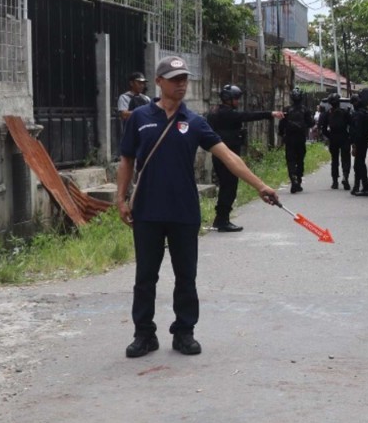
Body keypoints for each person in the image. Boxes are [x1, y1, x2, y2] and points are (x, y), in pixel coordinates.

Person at [116, 56, 280, 358]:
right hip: (148, 212)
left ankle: (184, 332)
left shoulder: (194, 122)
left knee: (185, 276)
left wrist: (260, 185)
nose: (181, 84)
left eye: (184, 79)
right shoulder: (139, 117)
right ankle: (144, 335)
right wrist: (121, 198)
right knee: (145, 277)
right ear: (159, 82)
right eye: (174, 78)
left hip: (184, 212)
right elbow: (126, 160)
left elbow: (229, 157)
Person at [206, 84, 284, 232]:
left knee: (226, 187)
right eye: (235, 98)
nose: (237, 101)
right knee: (229, 188)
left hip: (221, 156)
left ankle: (221, 219)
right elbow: (248, 116)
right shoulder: (226, 114)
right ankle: (222, 220)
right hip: (228, 157)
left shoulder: (214, 112)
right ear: (228, 99)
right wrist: (270, 113)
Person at [278, 87, 315, 193]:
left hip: (289, 138)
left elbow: (281, 124)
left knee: (290, 160)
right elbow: (312, 123)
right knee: (300, 159)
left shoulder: (286, 109)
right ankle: (298, 180)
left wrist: (281, 134)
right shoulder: (305, 110)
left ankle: (293, 178)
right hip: (300, 138)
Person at [319, 93, 352, 190]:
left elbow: (323, 129)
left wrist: (329, 136)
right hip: (344, 137)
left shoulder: (326, 114)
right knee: (345, 159)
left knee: (334, 160)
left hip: (333, 138)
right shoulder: (345, 112)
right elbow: (352, 125)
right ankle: (345, 176)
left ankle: (335, 182)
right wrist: (350, 137)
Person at [349, 93, 368, 196]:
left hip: (359, 142)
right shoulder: (366, 112)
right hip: (363, 141)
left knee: (359, 165)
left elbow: (357, 131)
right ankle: (358, 187)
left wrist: (354, 145)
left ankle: (364, 187)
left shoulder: (358, 114)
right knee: (359, 164)